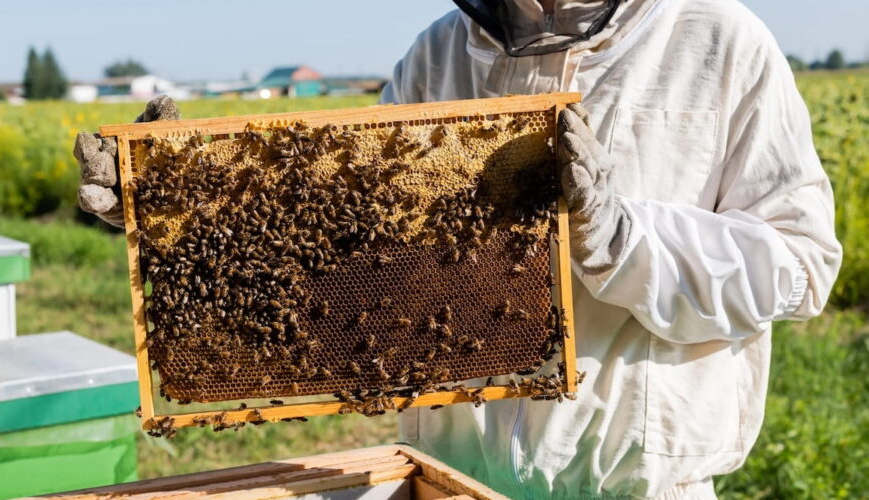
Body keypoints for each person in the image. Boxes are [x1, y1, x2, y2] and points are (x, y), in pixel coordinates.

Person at [77, 0, 842, 497]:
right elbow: (353, 266)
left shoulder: (719, 42)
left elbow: (800, 267)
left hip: (635, 486)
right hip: (447, 479)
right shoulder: (437, 55)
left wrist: (618, 232)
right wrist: (189, 218)